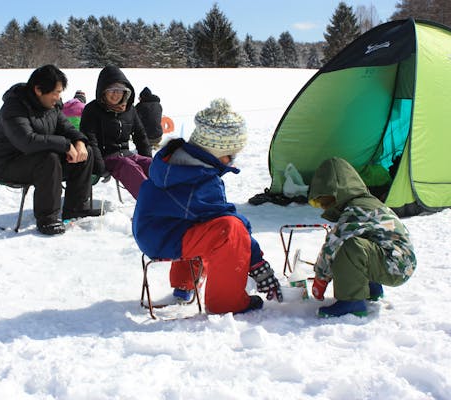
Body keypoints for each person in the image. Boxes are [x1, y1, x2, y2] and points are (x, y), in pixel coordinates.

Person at [132, 99, 283, 314]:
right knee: (229, 231)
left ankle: (184, 284)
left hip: (156, 230)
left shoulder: (178, 161)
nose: (232, 161)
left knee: (201, 224)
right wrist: (257, 262)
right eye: (232, 154)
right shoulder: (199, 179)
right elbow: (229, 221)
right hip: (163, 237)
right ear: (217, 151)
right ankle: (227, 302)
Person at [0, 65, 101, 236]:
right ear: (38, 90)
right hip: (7, 164)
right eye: (56, 92)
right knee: (48, 158)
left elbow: (67, 128)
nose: (58, 97)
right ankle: (48, 218)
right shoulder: (14, 107)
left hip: (38, 159)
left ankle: (76, 209)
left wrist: (79, 141)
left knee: (86, 153)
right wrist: (65, 144)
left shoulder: (52, 106)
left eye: (60, 92)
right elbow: (27, 141)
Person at [308, 157, 416, 317]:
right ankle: (373, 289)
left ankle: (351, 302)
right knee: (365, 243)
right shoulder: (367, 203)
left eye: (325, 202)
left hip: (395, 266)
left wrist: (321, 278)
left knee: (350, 247)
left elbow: (333, 243)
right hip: (400, 262)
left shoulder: (355, 210)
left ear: (338, 194)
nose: (324, 208)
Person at [80, 65, 152, 199]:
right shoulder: (92, 109)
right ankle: (150, 204)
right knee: (128, 166)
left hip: (127, 154)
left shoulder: (130, 110)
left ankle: (173, 201)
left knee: (155, 166)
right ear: (103, 91)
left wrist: (147, 157)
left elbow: (140, 136)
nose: (116, 94)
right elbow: (90, 140)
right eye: (111, 90)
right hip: (107, 157)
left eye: (120, 90)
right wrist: (100, 167)